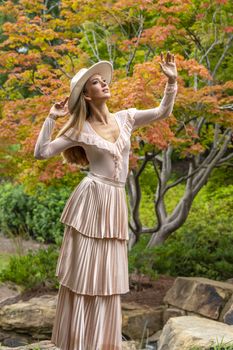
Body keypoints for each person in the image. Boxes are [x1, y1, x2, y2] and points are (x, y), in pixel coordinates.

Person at [34, 52, 177, 350]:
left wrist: (171, 81)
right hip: (91, 199)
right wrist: (51, 117)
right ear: (86, 95)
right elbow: (42, 152)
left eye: (103, 81)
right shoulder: (79, 129)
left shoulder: (126, 118)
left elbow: (163, 112)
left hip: (114, 200)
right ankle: (77, 341)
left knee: (107, 275)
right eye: (96, 83)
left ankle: (102, 341)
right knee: (85, 272)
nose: (104, 84)